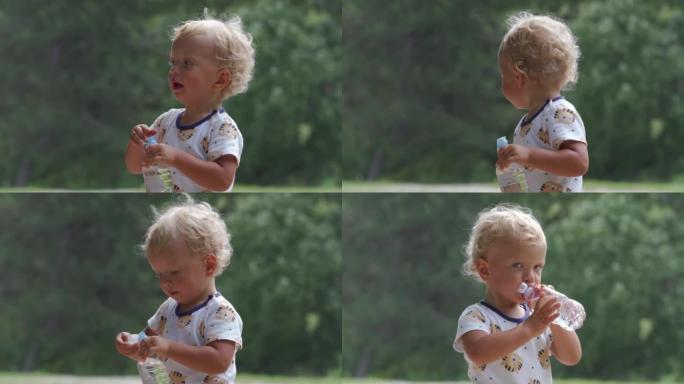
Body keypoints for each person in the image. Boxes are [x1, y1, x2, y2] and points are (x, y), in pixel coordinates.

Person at [115, 196, 243, 384]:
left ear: (209, 265)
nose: (165, 283)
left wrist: (168, 348)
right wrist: (133, 343)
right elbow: (148, 344)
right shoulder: (168, 309)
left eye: (174, 272)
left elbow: (219, 362)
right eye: (159, 275)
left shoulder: (220, 312)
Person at [125, 11, 255, 192]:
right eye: (173, 63)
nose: (174, 71)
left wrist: (176, 159)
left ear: (220, 79)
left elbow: (223, 180)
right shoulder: (165, 121)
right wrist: (137, 143)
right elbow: (135, 167)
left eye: (187, 63)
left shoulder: (222, 128)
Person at [453, 204, 582, 383]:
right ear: (485, 270)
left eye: (537, 267)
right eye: (518, 266)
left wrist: (554, 317)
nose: (531, 277)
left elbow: (572, 356)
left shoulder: (536, 317)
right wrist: (530, 328)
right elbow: (477, 352)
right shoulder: (476, 316)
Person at [496, 13, 589, 192]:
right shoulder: (526, 124)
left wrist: (528, 155)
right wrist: (511, 166)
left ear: (518, 77)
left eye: (503, 76)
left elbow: (578, 162)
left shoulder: (558, 112)